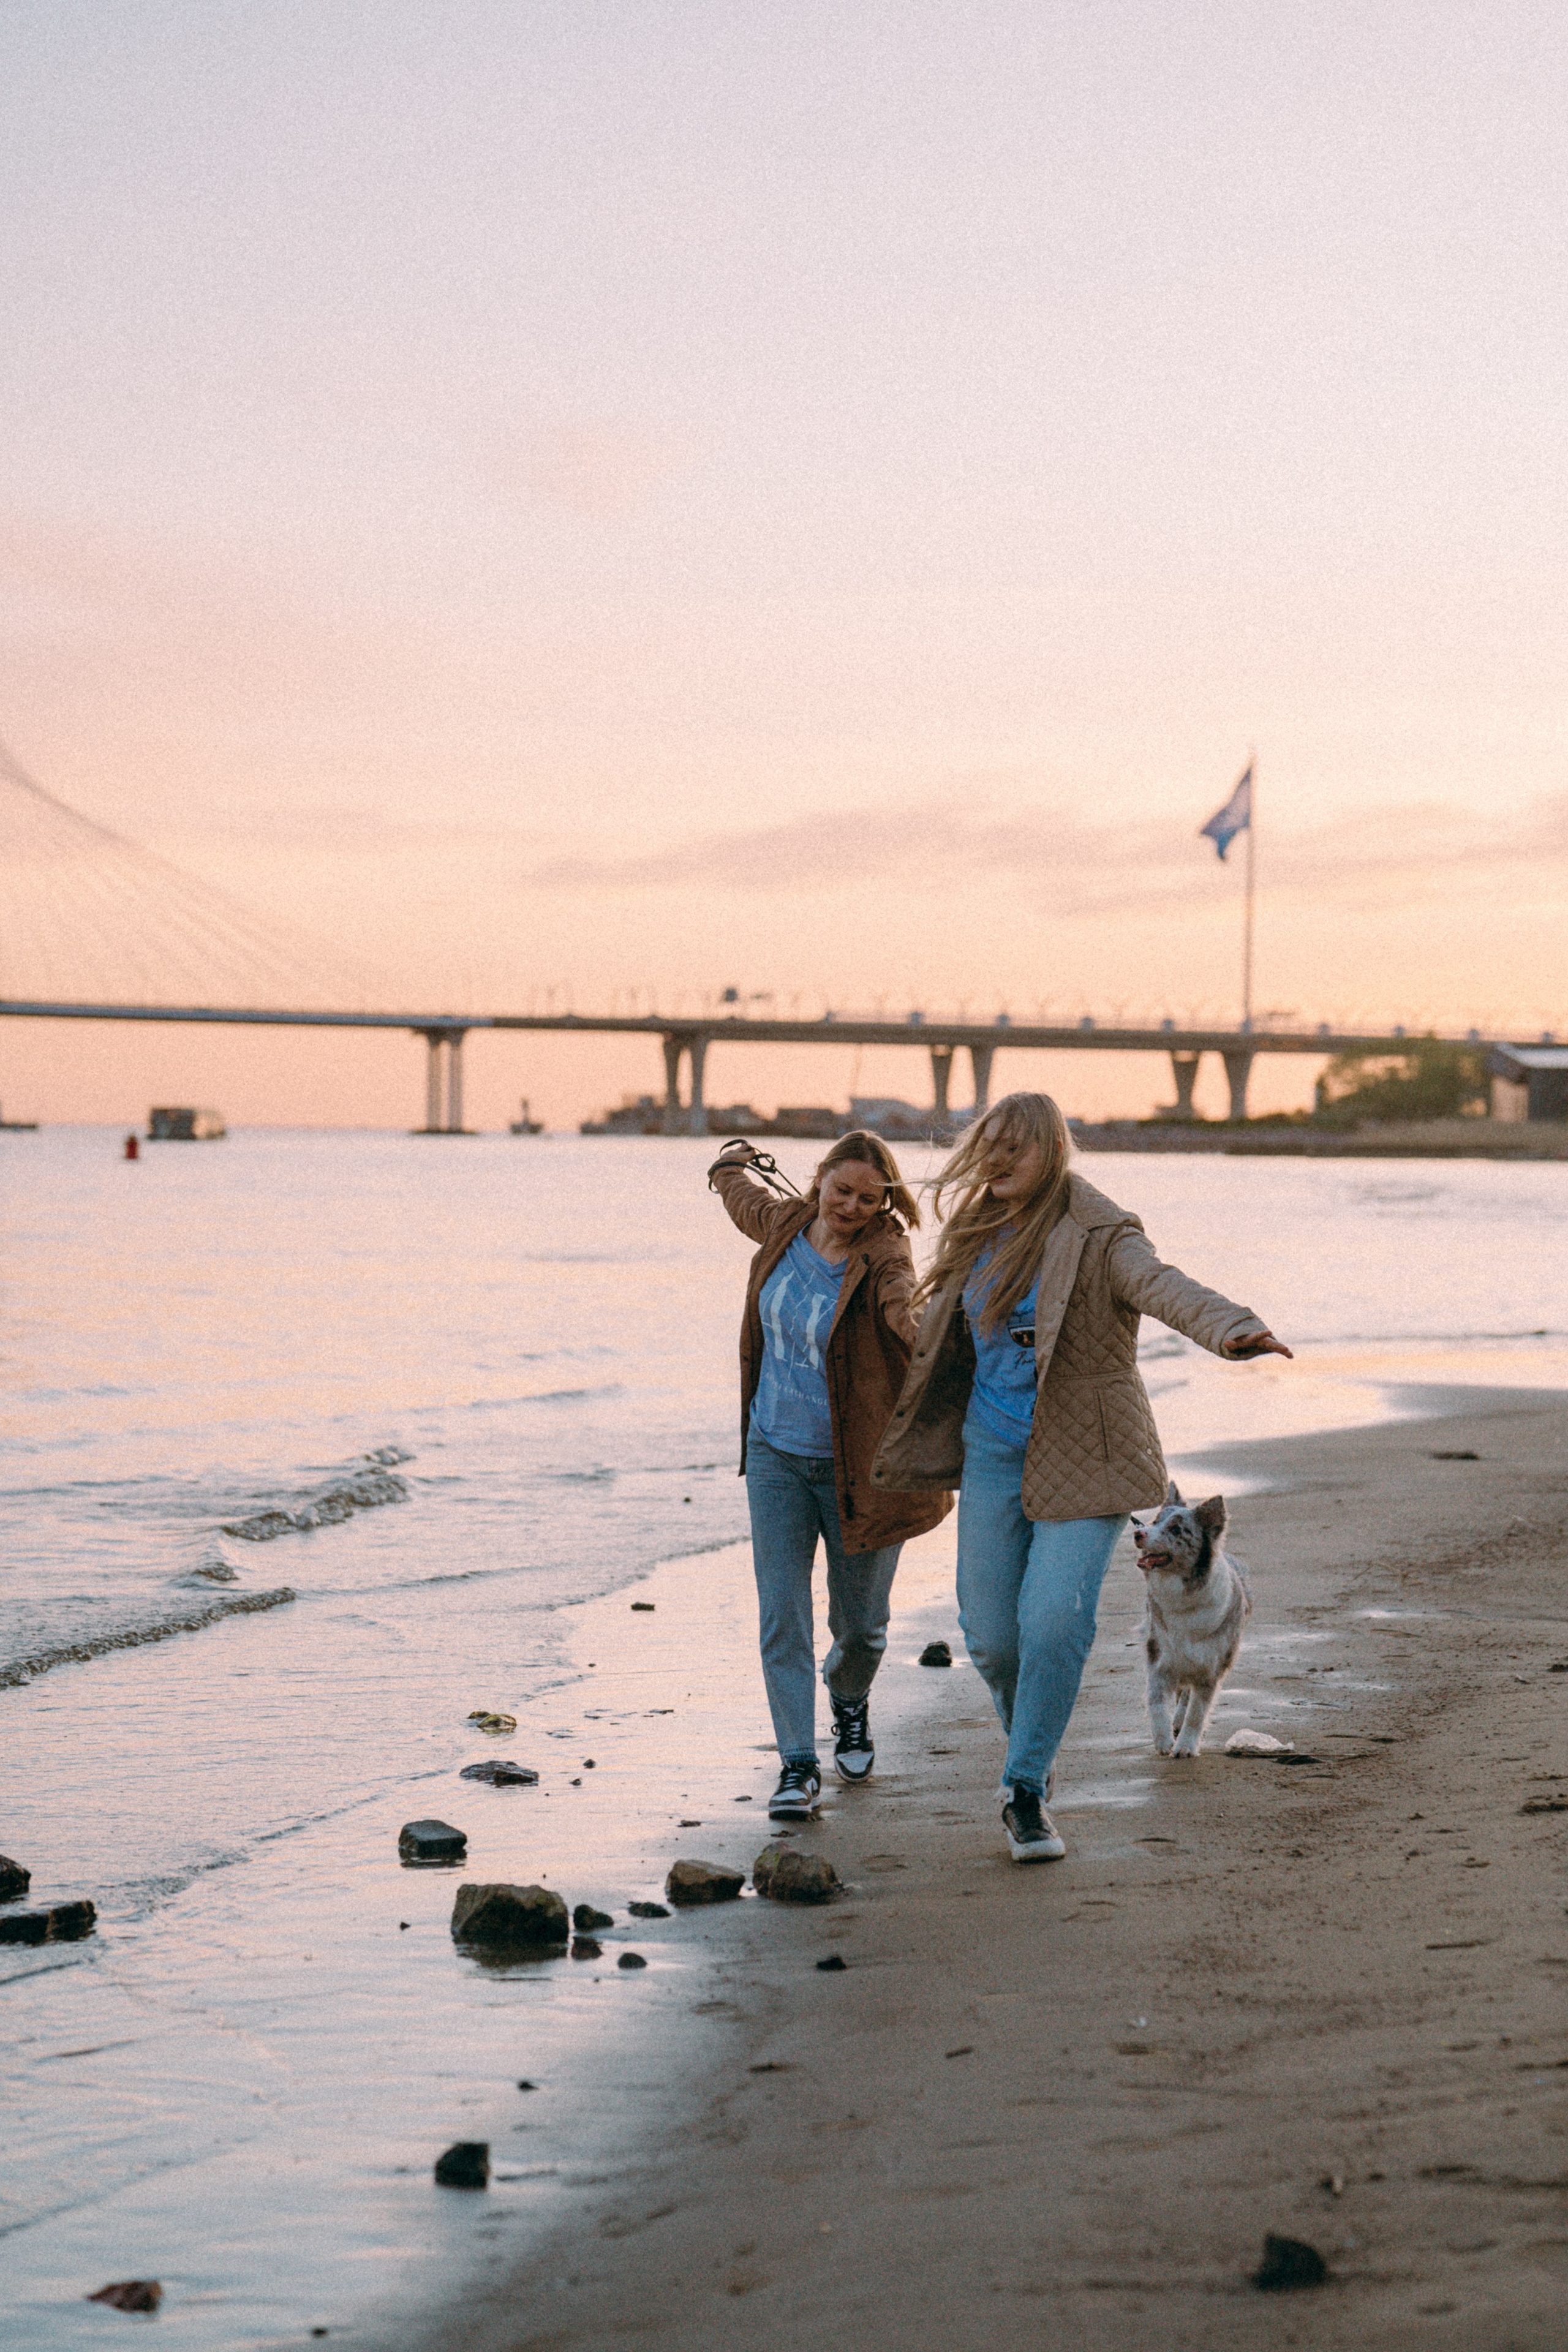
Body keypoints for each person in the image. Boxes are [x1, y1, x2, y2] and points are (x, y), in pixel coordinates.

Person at [870, 1092, 1291, 1864]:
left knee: (1054, 1625)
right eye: (990, 1146)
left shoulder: (1102, 1233)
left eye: (1017, 1148)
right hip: (992, 1454)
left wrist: (1231, 1326)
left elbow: (1161, 1284)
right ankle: (1032, 1746)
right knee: (991, 1639)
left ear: (1053, 1152)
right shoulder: (974, 1231)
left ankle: (1024, 1789)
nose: (998, 1161)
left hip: (1086, 1456)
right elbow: (935, 1334)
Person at [709, 1131, 951, 1820]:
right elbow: (744, 1200)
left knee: (862, 1627)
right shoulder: (786, 1224)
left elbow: (903, 1306)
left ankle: (849, 1702)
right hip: (775, 1455)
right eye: (841, 1191)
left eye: (867, 1200)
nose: (849, 1207)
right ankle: (796, 1764)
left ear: (884, 1204)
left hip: (861, 1468)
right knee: (782, 1617)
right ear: (819, 1179)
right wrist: (727, 1165)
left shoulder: (885, 1255)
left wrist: (934, 1340)